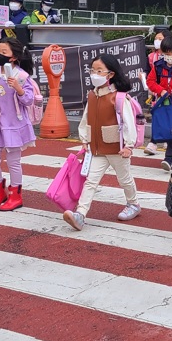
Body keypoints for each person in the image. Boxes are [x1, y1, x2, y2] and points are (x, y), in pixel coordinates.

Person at [63, 53, 142, 231]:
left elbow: (129, 122)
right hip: (97, 149)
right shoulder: (92, 96)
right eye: (93, 70)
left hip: (117, 149)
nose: (95, 74)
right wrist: (84, 139)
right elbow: (86, 119)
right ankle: (80, 214)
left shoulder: (119, 98)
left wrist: (129, 145)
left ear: (111, 74)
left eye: (100, 71)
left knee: (125, 179)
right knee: (91, 181)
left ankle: (134, 204)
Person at [0, 37, 39, 212]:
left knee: (14, 162)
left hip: (15, 125)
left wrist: (19, 89)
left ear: (13, 57)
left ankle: (15, 195)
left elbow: (28, 100)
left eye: (3, 52)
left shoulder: (21, 76)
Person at [146, 33, 172, 170]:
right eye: (167, 53)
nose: (170, 56)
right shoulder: (157, 67)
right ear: (162, 52)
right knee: (164, 128)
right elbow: (150, 81)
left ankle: (170, 158)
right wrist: (161, 90)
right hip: (163, 104)